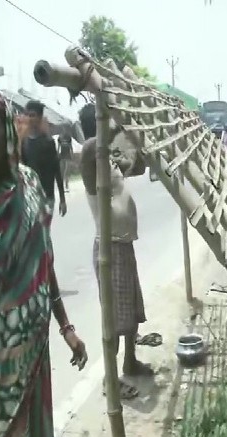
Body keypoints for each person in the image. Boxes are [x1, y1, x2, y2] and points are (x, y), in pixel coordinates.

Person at [0, 83, 88, 437]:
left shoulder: (28, 183)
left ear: (7, 128)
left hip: (34, 357)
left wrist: (66, 326)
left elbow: (44, 260)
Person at [78, 103, 154, 400]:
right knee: (113, 318)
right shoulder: (89, 160)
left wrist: (134, 142)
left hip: (122, 245)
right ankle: (111, 380)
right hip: (109, 248)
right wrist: (115, 125)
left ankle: (130, 361)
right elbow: (87, 148)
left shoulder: (106, 160)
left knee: (130, 312)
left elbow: (138, 166)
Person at [21, 100, 67, 217]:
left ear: (40, 118)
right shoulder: (23, 142)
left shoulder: (48, 142)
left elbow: (56, 170)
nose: (29, 118)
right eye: (26, 115)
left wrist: (62, 199)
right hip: (30, 197)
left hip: (47, 197)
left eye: (32, 115)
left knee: (44, 232)